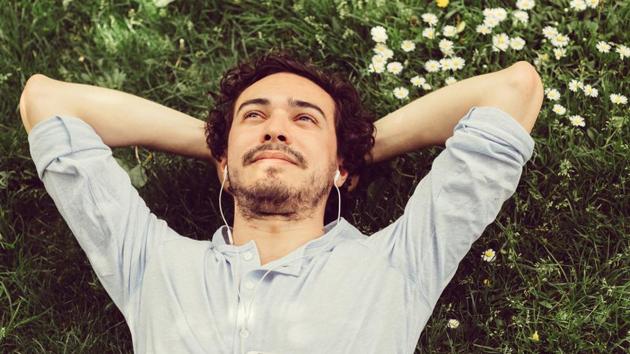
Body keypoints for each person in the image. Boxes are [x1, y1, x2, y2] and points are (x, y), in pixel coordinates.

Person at [19, 52, 543, 354]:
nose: (275, 129)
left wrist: (353, 146)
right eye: (255, 116)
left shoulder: (398, 264)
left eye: (305, 119)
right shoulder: (151, 262)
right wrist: (223, 146)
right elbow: (46, 101)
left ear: (342, 169)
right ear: (222, 165)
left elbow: (514, 91)